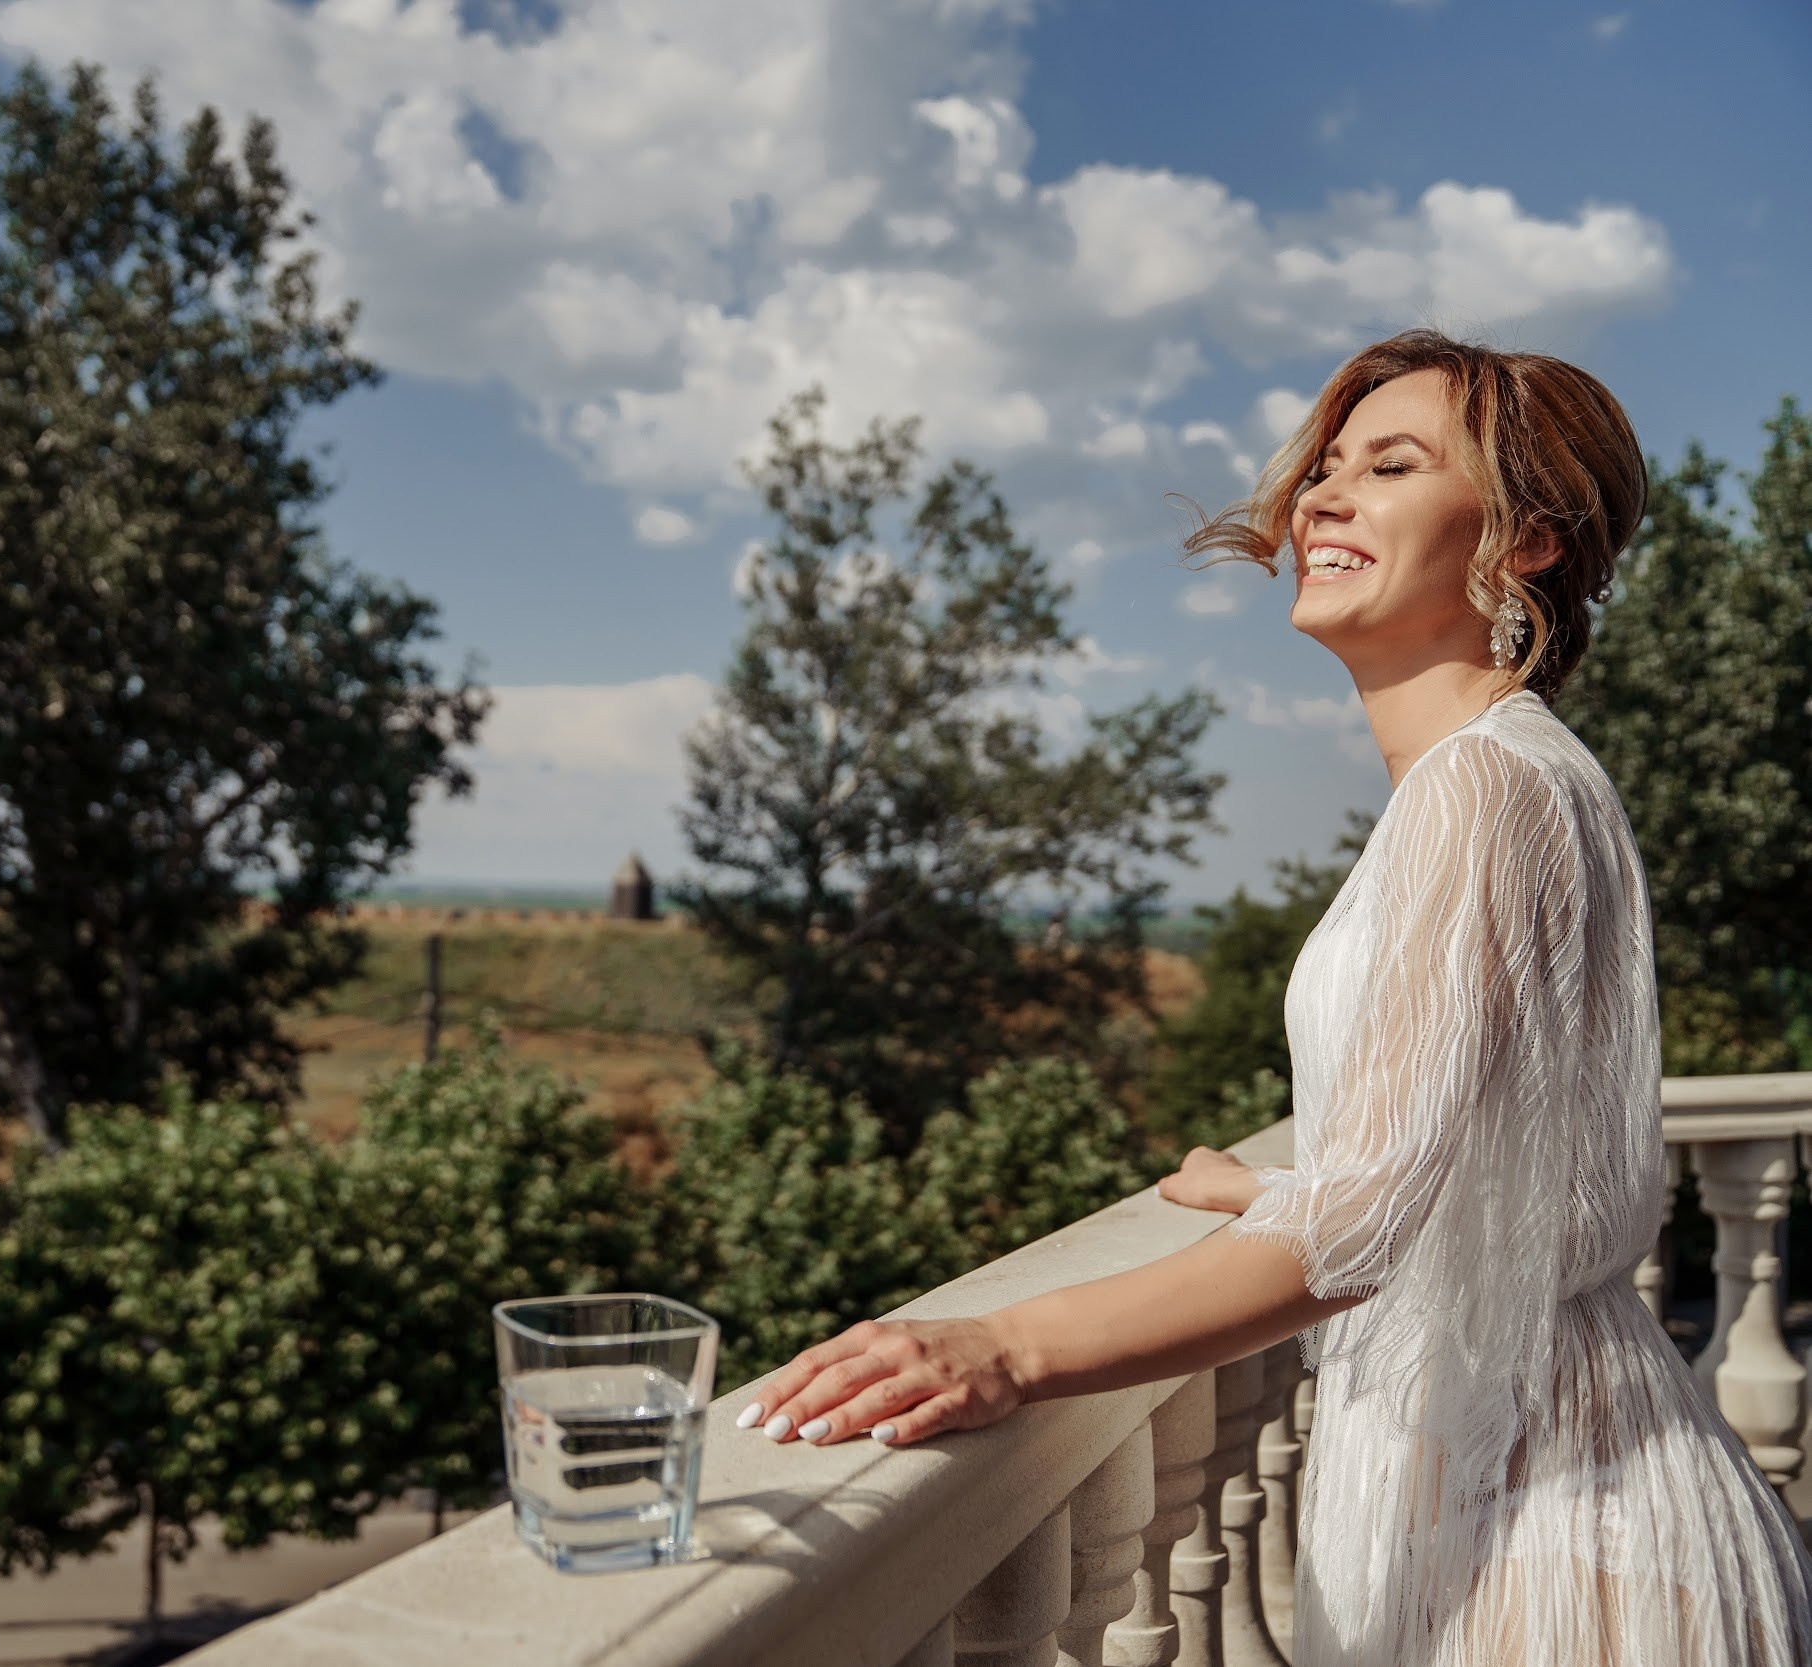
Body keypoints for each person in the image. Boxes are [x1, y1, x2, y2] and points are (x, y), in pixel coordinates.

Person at [735, 330, 1812, 1664]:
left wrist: (1002, 1350)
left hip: (1559, 1540)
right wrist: (1287, 1187)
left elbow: (1361, 1231)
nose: (1322, 497)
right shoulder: (1502, 782)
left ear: (1528, 538)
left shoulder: (1489, 786)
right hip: (1524, 1493)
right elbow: (1483, 1154)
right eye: (1328, 468)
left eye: (1393, 464)